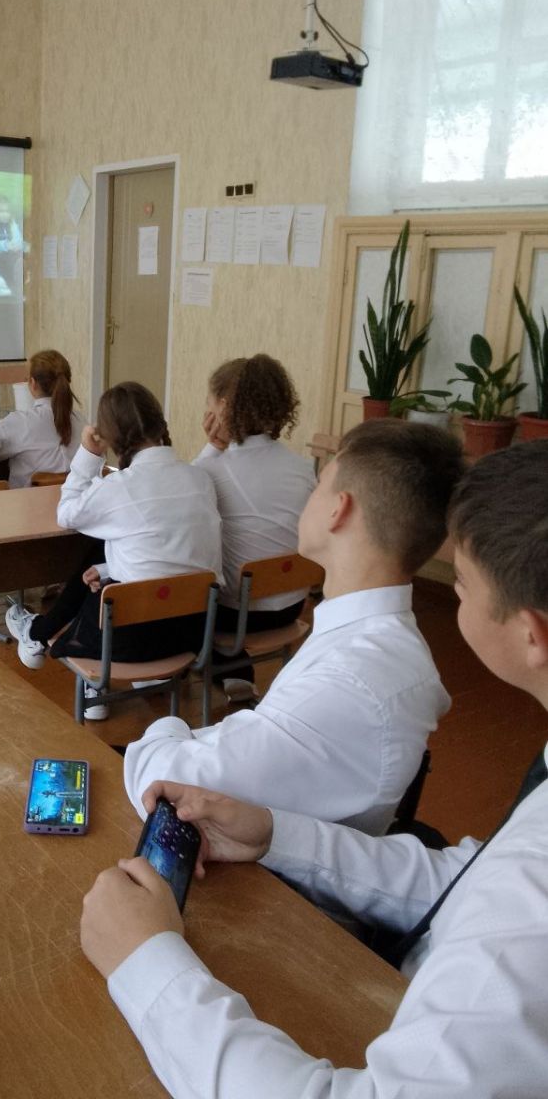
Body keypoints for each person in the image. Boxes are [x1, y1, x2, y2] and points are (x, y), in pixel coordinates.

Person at [80, 440, 548, 1098]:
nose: (451, 593)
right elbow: (467, 884)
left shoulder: (533, 896)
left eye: (462, 583)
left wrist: (146, 965)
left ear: (532, 635)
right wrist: (280, 834)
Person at [124, 419, 464, 835]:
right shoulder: (388, 643)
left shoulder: (348, 679)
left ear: (339, 509)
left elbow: (163, 783)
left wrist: (169, 727)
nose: (309, 497)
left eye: (318, 486)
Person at [5, 382, 222, 721]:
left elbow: (66, 514)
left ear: (109, 436)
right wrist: (109, 570)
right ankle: (60, 648)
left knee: (101, 578)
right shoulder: (200, 479)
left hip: (127, 641)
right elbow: (168, 550)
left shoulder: (119, 486)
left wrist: (89, 455)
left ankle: (89, 681)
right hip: (189, 634)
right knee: (106, 560)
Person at [194, 355, 316, 702]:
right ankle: (234, 671)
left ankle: (228, 667)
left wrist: (211, 448)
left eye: (210, 401)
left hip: (235, 616)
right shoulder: (302, 468)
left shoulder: (212, 471)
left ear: (223, 406)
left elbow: (180, 501)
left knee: (176, 584)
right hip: (291, 606)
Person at [0, 350, 84, 488]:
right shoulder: (82, 421)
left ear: (32, 383)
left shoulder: (19, 423)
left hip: (27, 501)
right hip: (76, 500)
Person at [0, 195, 28, 298]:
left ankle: (22, 281)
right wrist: (5, 245)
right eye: (1, 211)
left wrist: (23, 246)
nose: (5, 214)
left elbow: (18, 240)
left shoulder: (12, 224)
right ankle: (19, 289)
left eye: (7, 211)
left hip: (12, 256)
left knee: (21, 256)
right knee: (16, 260)